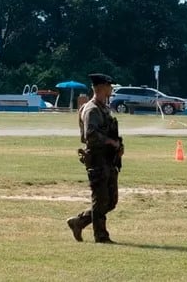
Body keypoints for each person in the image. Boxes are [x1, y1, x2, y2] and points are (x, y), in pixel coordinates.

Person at [67, 73, 123, 244]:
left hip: (108, 159)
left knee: (111, 201)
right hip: (98, 159)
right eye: (109, 86)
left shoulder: (103, 108)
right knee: (100, 199)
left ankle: (79, 221)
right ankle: (101, 235)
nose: (111, 89)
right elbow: (90, 135)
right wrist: (111, 142)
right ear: (101, 88)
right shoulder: (91, 109)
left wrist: (118, 145)